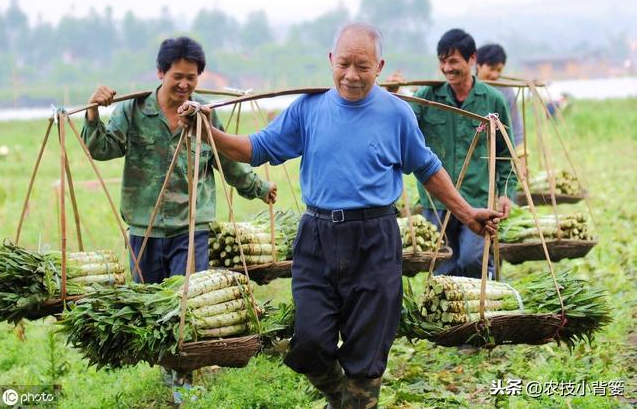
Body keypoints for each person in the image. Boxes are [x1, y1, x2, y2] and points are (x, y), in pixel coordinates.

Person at [178, 22, 501, 409]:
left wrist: (467, 214)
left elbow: (428, 169)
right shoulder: (308, 109)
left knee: (367, 349)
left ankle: (357, 399)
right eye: (344, 64)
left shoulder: (397, 114)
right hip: (318, 236)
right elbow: (257, 148)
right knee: (311, 341)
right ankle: (343, 397)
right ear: (331, 60)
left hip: (376, 237)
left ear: (379, 66)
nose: (351, 75)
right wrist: (206, 132)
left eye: (362, 66)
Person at [80, 36, 276, 403]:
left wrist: (258, 187)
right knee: (152, 307)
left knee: (187, 307)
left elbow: (227, 162)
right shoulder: (134, 110)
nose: (184, 84)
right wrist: (93, 113)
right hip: (145, 227)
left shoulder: (204, 115)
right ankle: (168, 367)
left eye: (192, 77)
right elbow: (102, 148)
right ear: (161, 73)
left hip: (191, 227)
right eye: (177, 77)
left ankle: (185, 378)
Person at [388, 29, 516, 279]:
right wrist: (393, 94)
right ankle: (453, 317)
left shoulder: (493, 100)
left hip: (478, 197)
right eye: (443, 61)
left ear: (471, 60)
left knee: (473, 260)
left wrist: (505, 192)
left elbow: (505, 152)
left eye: (453, 61)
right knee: (442, 265)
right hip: (437, 200)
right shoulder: (428, 97)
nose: (447, 68)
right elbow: (399, 127)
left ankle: (484, 312)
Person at [476, 43, 526, 175]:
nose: (494, 74)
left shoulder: (506, 91)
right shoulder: (467, 89)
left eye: (498, 70)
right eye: (491, 69)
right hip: (473, 154)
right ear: (478, 65)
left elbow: (516, 127)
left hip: (500, 154)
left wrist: (521, 160)